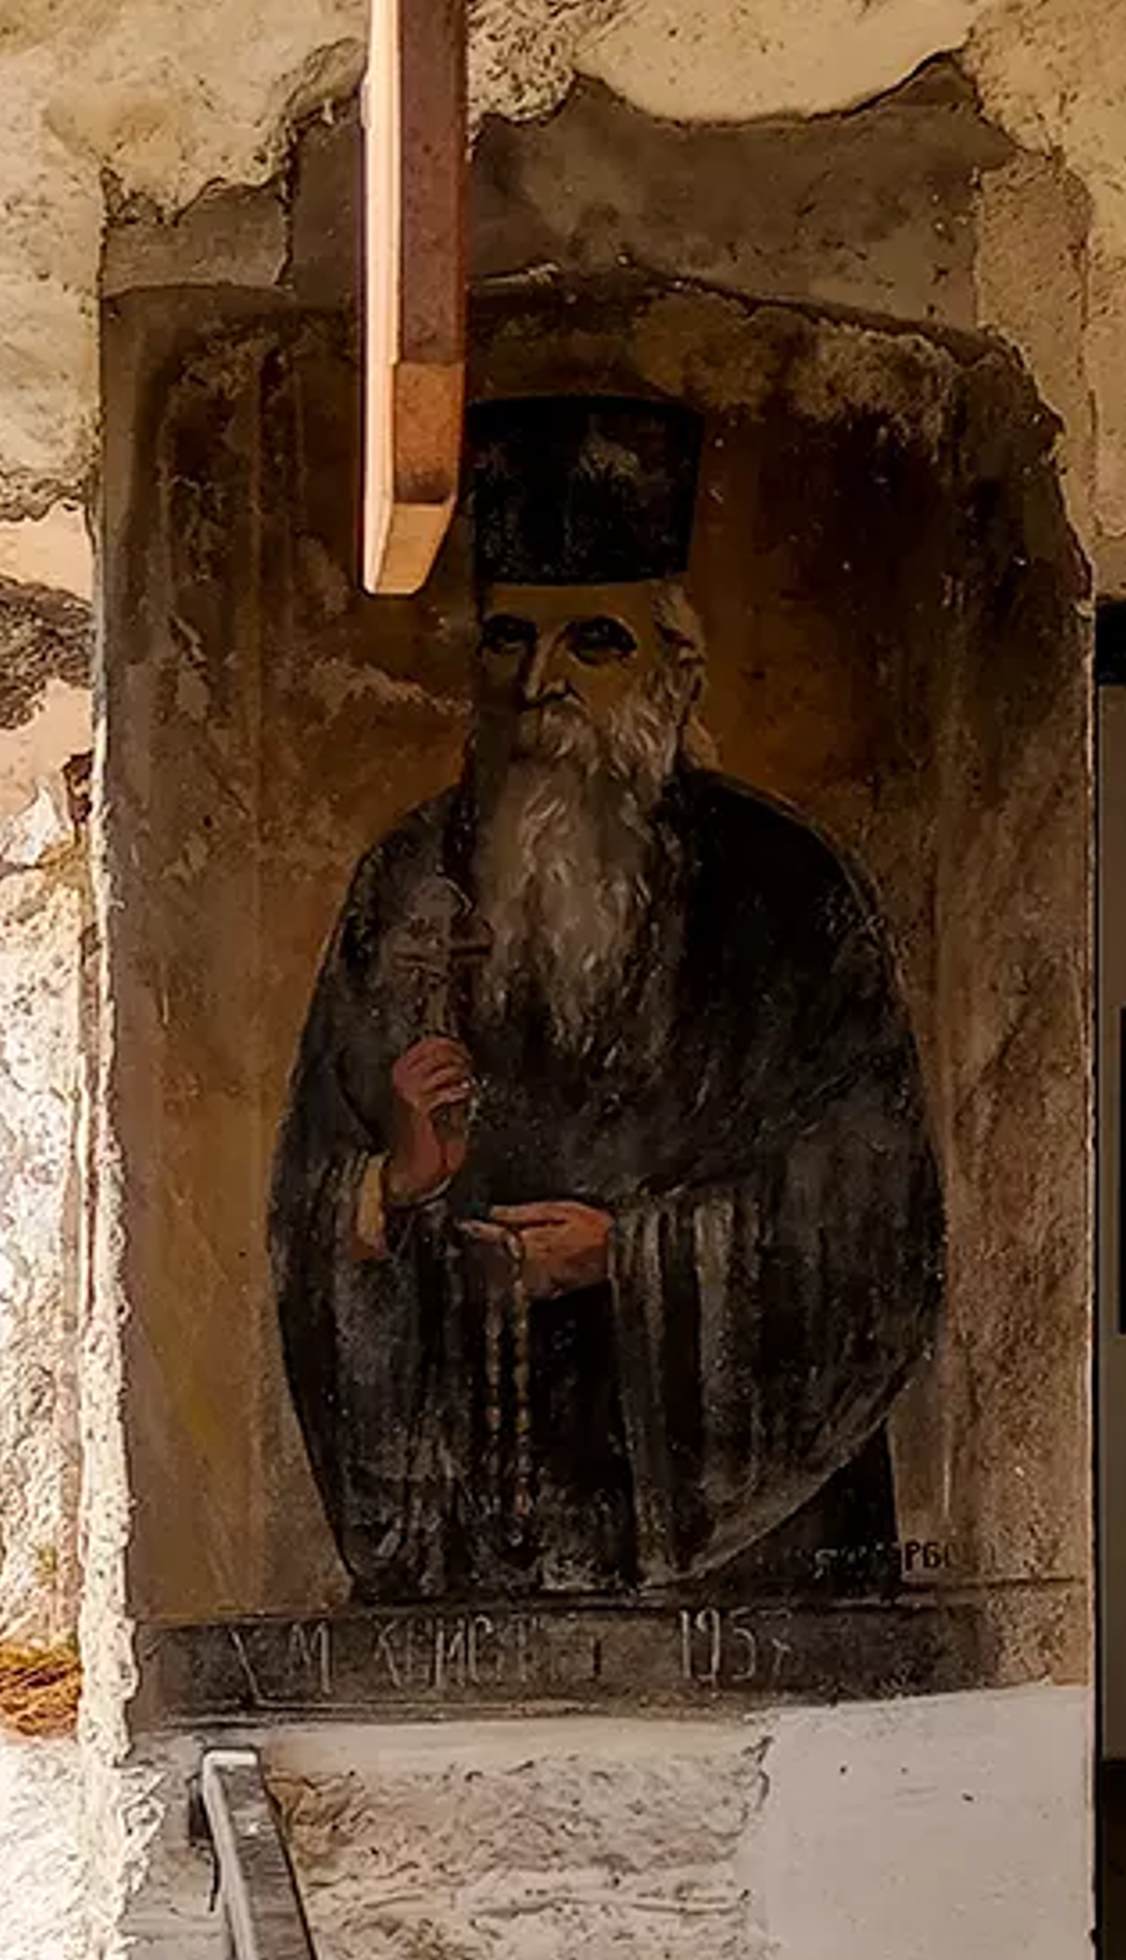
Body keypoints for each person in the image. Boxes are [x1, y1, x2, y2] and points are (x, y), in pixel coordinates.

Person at [272, 390, 943, 1604]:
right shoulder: (406, 886)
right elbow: (304, 1214)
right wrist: (389, 1190)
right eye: (508, 638)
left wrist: (631, 1258)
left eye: (593, 641)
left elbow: (879, 1220)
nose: (541, 683)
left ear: (671, 673)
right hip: (478, 1531)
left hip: (754, 1555)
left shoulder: (785, 893)